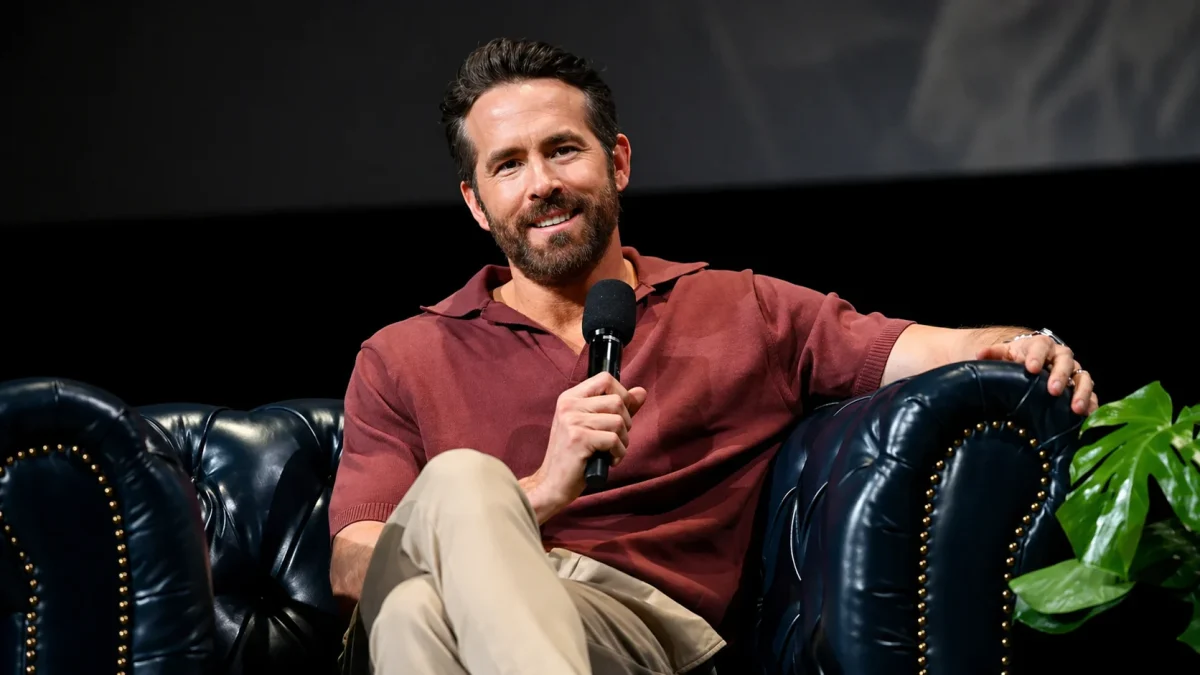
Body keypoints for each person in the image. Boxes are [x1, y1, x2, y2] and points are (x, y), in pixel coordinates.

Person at [326, 37, 1098, 675]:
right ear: (475, 201)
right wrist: (532, 495)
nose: (542, 185)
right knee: (445, 528)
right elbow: (352, 565)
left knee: (420, 609)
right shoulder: (403, 353)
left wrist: (1029, 342)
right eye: (509, 165)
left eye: (563, 150)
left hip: (635, 631)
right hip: (454, 613)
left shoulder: (740, 308)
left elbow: (907, 346)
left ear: (618, 162)